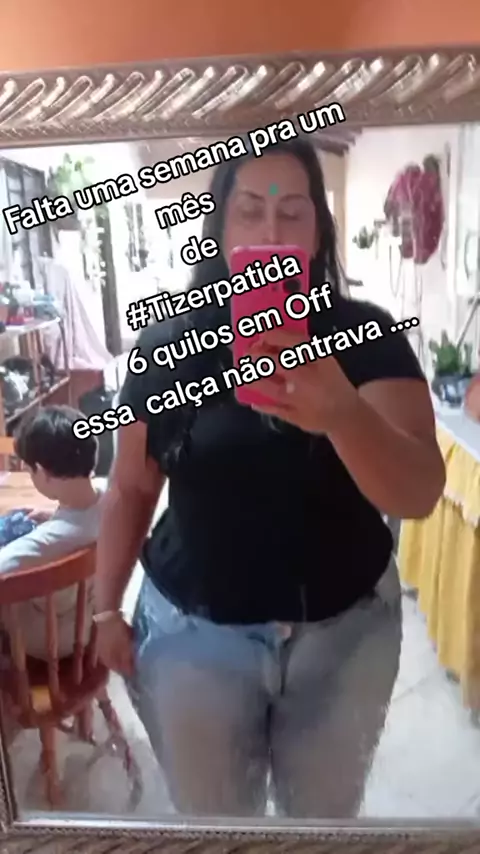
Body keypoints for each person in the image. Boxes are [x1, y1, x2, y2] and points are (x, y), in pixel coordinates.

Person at [94, 138, 445, 819]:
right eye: (250, 211)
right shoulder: (168, 347)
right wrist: (106, 608)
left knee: (322, 824)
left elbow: (420, 491)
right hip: (194, 639)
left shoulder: (368, 337)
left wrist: (343, 413)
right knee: (216, 823)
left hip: (344, 640)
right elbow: (132, 487)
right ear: (220, 228)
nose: (272, 233)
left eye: (292, 213)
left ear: (319, 229)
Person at [0, 405, 103, 660]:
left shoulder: (46, 542)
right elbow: (80, 521)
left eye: (29, 469)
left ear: (42, 472)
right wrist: (56, 516)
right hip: (89, 621)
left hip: (51, 640)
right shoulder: (110, 496)